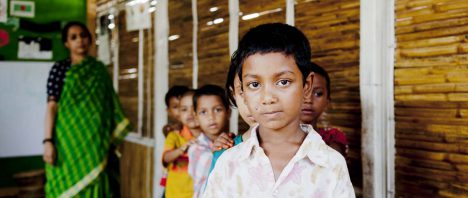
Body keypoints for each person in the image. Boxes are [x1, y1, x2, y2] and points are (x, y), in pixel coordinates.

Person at [203, 23, 354, 197]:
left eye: (283, 82)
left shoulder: (331, 164)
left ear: (307, 86)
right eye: (254, 84)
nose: (268, 97)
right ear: (242, 92)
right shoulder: (228, 163)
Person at [43, 21, 130, 197]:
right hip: (66, 141)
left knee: (97, 182)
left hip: (95, 141)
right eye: (73, 37)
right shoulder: (59, 70)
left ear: (90, 40)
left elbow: (109, 106)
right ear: (67, 43)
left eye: (83, 36)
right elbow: (52, 107)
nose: (80, 40)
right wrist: (48, 142)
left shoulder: (99, 70)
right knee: (63, 185)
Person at [188, 84, 230, 198]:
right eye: (203, 112)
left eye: (217, 110)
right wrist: (216, 152)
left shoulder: (234, 142)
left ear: (228, 112)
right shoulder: (195, 148)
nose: (211, 117)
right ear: (196, 117)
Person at [301, 63, 348, 157]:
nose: (308, 100)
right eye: (302, 91)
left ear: (327, 102)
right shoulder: (273, 139)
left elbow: (331, 162)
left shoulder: (333, 138)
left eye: (318, 94)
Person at [162, 90, 202, 198]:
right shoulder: (174, 136)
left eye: (194, 108)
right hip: (176, 194)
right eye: (184, 109)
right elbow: (165, 158)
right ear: (179, 115)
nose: (190, 113)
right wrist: (181, 149)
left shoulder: (208, 137)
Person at [160, 86, 190, 196]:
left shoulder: (200, 132)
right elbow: (166, 158)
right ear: (168, 111)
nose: (180, 111)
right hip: (175, 189)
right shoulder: (172, 132)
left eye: (185, 107)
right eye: (175, 107)